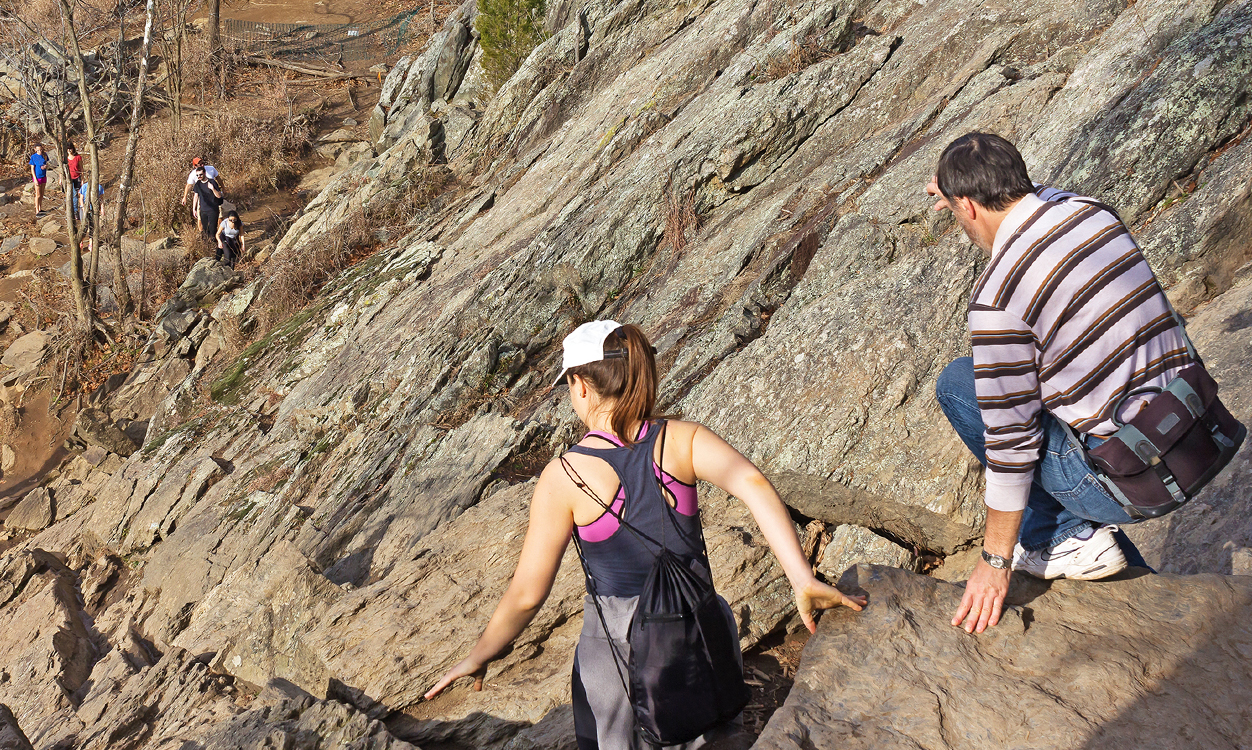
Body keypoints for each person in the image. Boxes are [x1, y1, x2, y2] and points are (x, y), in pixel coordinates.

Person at [426, 321, 865, 748]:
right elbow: (753, 484)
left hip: (618, 658)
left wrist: (480, 655)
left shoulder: (564, 476)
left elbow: (527, 595)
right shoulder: (682, 438)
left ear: (580, 385)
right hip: (698, 630)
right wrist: (802, 579)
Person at [926, 132, 1192, 634]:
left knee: (959, 383)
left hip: (1135, 476)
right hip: (1194, 430)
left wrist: (995, 560)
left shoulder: (998, 297)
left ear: (966, 204)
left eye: (955, 209)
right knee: (1042, 377)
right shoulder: (1091, 212)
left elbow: (1011, 442)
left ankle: (1067, 534)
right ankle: (1087, 544)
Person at [183, 156, 224, 226]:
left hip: (214, 196)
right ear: (195, 166)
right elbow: (189, 185)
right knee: (200, 218)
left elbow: (218, 179)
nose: (202, 164)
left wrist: (223, 188)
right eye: (200, 164)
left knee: (219, 216)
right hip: (202, 198)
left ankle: (218, 233)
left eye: (202, 163)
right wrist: (185, 196)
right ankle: (203, 234)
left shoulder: (211, 169)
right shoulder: (193, 174)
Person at [191, 167, 224, 239]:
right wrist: (194, 209)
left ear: (205, 173)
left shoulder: (212, 182)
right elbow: (195, 196)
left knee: (212, 230)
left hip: (213, 210)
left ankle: (215, 245)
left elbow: (219, 196)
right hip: (203, 210)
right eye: (197, 175)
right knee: (205, 230)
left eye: (200, 174)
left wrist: (212, 188)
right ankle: (207, 247)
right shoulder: (198, 184)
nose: (199, 176)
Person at [28, 142, 49, 216]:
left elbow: (47, 163)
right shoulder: (33, 157)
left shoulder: (45, 155)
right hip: (37, 177)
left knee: (42, 193)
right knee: (38, 194)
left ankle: (40, 208)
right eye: (38, 150)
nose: (39, 151)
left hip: (44, 176)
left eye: (40, 150)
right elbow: (32, 169)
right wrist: (35, 179)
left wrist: (45, 166)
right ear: (35, 150)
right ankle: (37, 210)